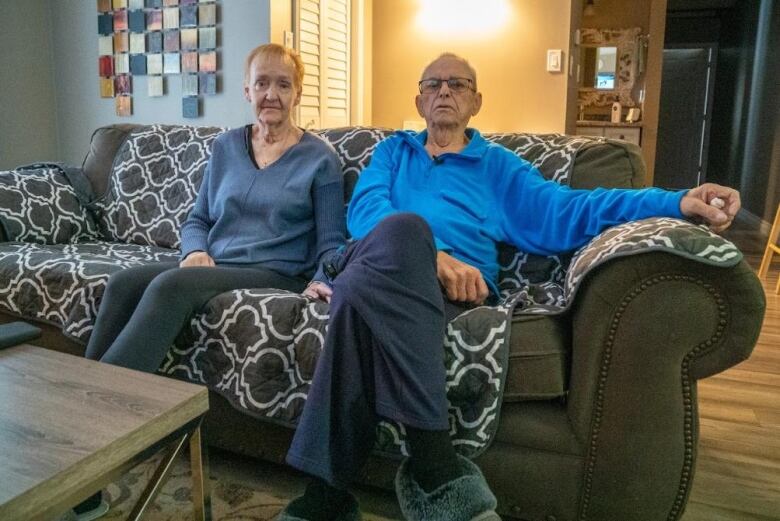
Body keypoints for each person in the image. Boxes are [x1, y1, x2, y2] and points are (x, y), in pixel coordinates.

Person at [278, 53, 740, 521]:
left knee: (356, 295)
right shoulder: (394, 152)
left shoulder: (498, 167)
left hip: (434, 296)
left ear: (476, 102)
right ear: (418, 99)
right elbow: (364, 212)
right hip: (386, 263)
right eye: (433, 84)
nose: (444, 91)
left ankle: (324, 498)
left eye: (457, 84)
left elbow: (569, 209)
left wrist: (677, 200)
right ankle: (434, 464)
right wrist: (435, 258)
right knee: (401, 231)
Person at [71, 44, 345, 521]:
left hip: (274, 270)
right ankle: (83, 455)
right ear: (246, 90)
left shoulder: (320, 159)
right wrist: (194, 251)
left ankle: (84, 447)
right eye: (262, 83)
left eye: (283, 84)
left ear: (298, 92)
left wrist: (323, 279)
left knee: (169, 288)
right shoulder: (225, 147)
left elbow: (333, 241)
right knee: (123, 283)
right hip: (213, 262)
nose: (271, 94)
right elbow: (197, 218)